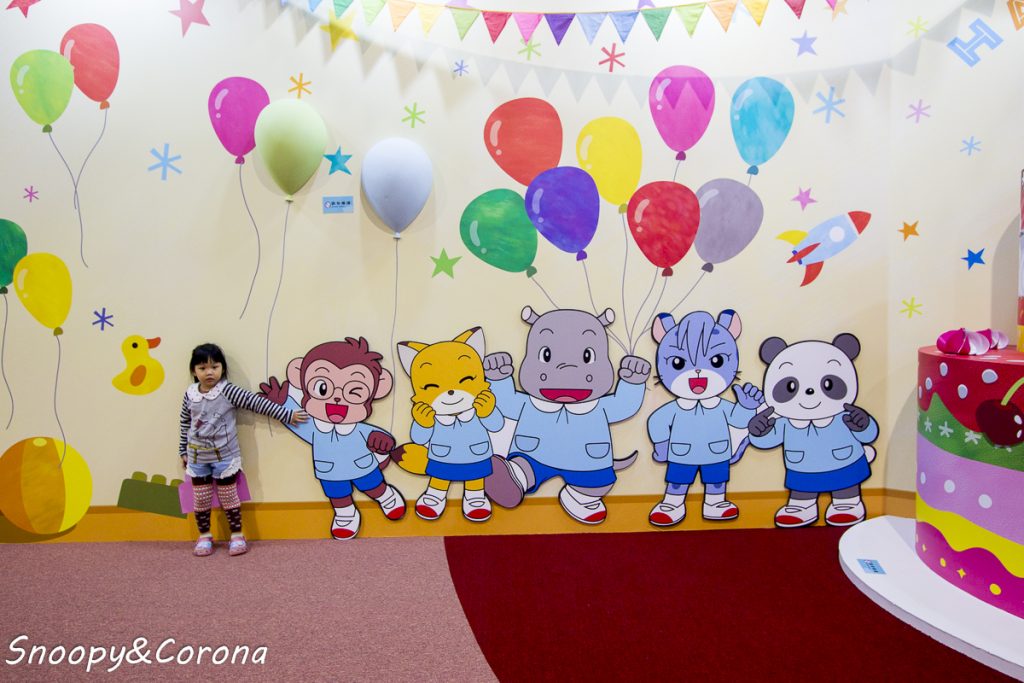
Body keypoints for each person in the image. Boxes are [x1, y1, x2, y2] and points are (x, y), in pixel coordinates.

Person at [180, 343, 307, 556]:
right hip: (197, 458)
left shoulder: (228, 391)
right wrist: (182, 450)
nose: (209, 372)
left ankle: (237, 535)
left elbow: (256, 403)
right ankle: (204, 536)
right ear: (194, 371)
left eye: (214, 367)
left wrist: (286, 414)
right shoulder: (190, 394)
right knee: (200, 500)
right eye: (202, 368)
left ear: (222, 368)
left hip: (225, 458)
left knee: (229, 497)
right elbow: (185, 423)